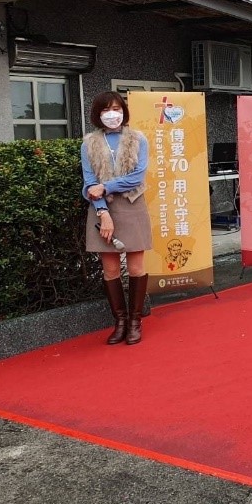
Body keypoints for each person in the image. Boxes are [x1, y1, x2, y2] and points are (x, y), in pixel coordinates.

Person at [81, 91, 152, 346]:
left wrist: (106, 187)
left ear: (124, 111)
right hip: (102, 208)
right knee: (110, 269)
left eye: (117, 109)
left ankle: (134, 321)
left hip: (132, 205)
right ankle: (120, 321)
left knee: (136, 268)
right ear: (97, 114)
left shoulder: (137, 139)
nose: (112, 114)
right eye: (106, 110)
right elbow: (90, 183)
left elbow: (137, 177)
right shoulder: (89, 143)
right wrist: (103, 212)